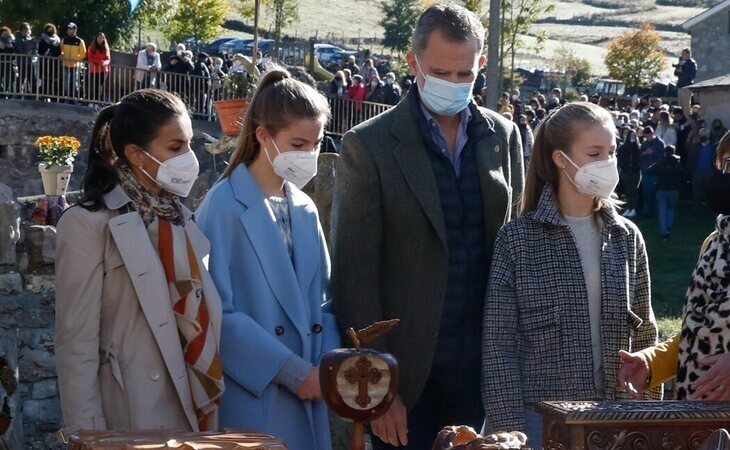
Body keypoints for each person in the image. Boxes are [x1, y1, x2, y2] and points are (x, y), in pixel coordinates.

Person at [331, 4, 524, 448]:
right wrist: (378, 387)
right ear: (412, 62)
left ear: (480, 63)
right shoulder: (369, 146)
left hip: (481, 367)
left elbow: (511, 246)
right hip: (407, 376)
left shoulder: (503, 137)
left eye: (464, 74)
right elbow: (354, 273)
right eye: (441, 72)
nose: (454, 85)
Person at [482, 103, 659, 446]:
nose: (607, 163)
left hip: (617, 416)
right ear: (561, 159)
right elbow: (499, 344)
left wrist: (647, 420)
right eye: (594, 153)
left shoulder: (626, 237)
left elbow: (645, 336)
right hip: (540, 419)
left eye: (611, 152)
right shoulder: (518, 240)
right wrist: (509, 432)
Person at [55, 89, 224, 432]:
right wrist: (89, 437)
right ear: (136, 155)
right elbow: (76, 345)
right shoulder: (88, 224)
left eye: (190, 144)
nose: (189, 158)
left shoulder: (182, 219)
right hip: (130, 419)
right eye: (175, 147)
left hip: (191, 412)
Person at [195, 68, 340, 450]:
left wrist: (327, 367)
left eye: (316, 143)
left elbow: (324, 301)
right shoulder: (222, 204)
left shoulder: (305, 207)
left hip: (310, 391)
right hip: (256, 396)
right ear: (262, 136)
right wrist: (294, 373)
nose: (309, 155)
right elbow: (215, 314)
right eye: (297, 143)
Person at [618, 132, 730, 401]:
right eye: (727, 162)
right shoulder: (714, 244)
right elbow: (699, 334)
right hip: (699, 417)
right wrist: (651, 362)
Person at [649, 145, 685, 239]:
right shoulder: (677, 163)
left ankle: (663, 231)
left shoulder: (660, 162)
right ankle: (668, 226)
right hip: (674, 190)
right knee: (670, 209)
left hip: (661, 189)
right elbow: (684, 174)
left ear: (665, 152)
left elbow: (650, 170)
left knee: (662, 211)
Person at [639, 126, 664, 216]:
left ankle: (656, 210)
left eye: (649, 135)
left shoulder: (660, 143)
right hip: (645, 170)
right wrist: (644, 154)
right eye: (646, 136)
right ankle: (647, 210)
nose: (648, 138)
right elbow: (639, 157)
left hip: (655, 171)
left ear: (652, 133)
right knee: (646, 191)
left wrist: (653, 153)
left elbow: (662, 157)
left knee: (655, 191)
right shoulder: (644, 144)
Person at [617, 129, 641, 218]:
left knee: (634, 191)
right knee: (628, 190)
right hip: (626, 171)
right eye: (631, 136)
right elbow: (620, 159)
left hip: (635, 171)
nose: (633, 137)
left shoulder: (638, 147)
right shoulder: (623, 147)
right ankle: (628, 208)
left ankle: (633, 209)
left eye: (634, 136)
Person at [690, 128, 716, 206]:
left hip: (709, 172)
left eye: (703, 135)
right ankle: (696, 211)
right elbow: (690, 159)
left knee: (709, 192)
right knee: (697, 193)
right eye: (700, 135)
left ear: (708, 135)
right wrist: (692, 170)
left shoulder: (713, 146)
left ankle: (709, 210)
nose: (701, 136)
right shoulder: (695, 146)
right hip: (697, 172)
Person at [60, 23, 86, 101]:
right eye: (68, 29)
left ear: (75, 30)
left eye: (71, 29)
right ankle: (64, 97)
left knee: (74, 82)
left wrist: (75, 59)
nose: (69, 31)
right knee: (65, 82)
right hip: (65, 64)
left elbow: (83, 53)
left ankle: (73, 99)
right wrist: (63, 56)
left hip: (75, 65)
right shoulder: (64, 40)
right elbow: (61, 50)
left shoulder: (79, 41)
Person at [86, 32, 110, 103]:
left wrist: (104, 63)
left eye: (102, 38)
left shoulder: (106, 48)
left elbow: (108, 59)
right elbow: (90, 58)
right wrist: (99, 62)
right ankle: (91, 101)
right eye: (99, 37)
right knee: (93, 86)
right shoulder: (91, 47)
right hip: (94, 70)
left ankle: (98, 102)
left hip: (103, 70)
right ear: (96, 38)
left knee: (100, 87)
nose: (100, 39)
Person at [38, 23, 61, 98]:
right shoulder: (43, 39)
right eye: (48, 29)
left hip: (54, 63)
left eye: (51, 29)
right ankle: (42, 95)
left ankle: (52, 96)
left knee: (53, 79)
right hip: (44, 62)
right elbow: (39, 51)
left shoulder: (57, 40)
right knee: (44, 78)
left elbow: (59, 51)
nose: (50, 30)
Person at [14, 22, 36, 96]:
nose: (29, 31)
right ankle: (18, 93)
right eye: (28, 29)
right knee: (21, 78)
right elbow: (19, 49)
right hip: (21, 62)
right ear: (23, 30)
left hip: (29, 62)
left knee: (32, 78)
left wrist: (32, 51)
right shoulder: (17, 38)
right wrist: (26, 53)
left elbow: (34, 49)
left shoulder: (28, 37)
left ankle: (32, 94)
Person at [675, 48, 697, 114]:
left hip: (686, 86)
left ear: (688, 54)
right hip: (680, 85)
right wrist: (677, 70)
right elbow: (676, 74)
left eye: (683, 54)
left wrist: (682, 72)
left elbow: (692, 75)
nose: (682, 55)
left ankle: (688, 119)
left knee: (686, 106)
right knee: (680, 105)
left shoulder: (691, 63)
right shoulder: (681, 62)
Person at [0, 27, 16, 95]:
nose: (5, 36)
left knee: (9, 78)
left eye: (6, 34)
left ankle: (8, 91)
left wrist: (10, 46)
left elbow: (13, 55)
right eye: (3, 34)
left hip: (9, 63)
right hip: (1, 63)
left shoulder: (10, 41)